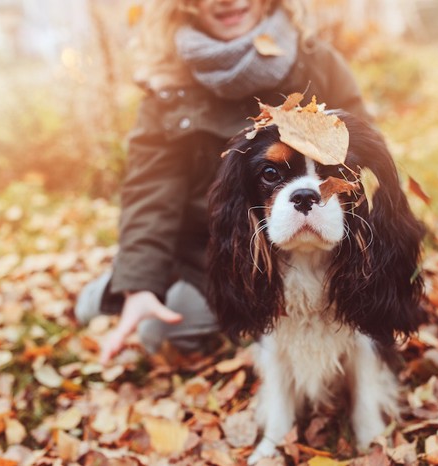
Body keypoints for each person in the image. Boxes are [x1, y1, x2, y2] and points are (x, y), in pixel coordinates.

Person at [74, 0, 374, 363]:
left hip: (311, 248)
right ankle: (120, 287)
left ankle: (127, 286)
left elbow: (367, 165)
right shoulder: (168, 85)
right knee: (162, 332)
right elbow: (148, 193)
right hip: (212, 256)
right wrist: (139, 284)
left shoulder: (319, 64)